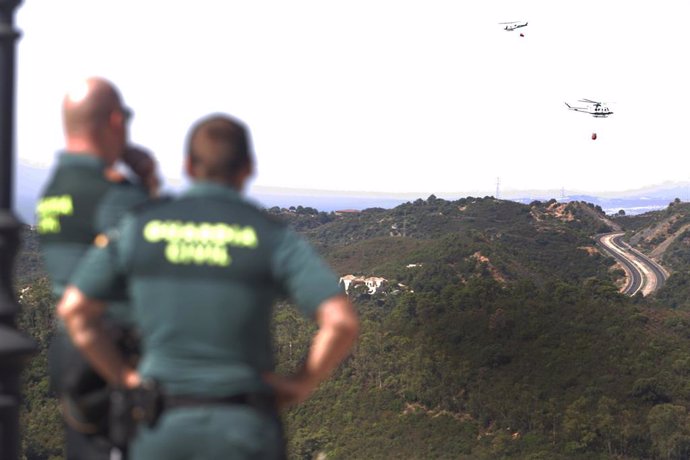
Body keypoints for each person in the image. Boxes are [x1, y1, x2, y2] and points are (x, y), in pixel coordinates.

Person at [57, 113, 359, 459]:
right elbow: (340, 322)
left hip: (161, 427)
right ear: (247, 167)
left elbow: (75, 310)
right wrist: (299, 384)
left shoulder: (140, 227)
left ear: (188, 165)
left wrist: (124, 378)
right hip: (245, 428)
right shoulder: (269, 235)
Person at [36, 76, 160, 459]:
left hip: (74, 363)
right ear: (115, 122)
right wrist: (148, 186)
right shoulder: (115, 196)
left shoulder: (54, 190)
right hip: (116, 363)